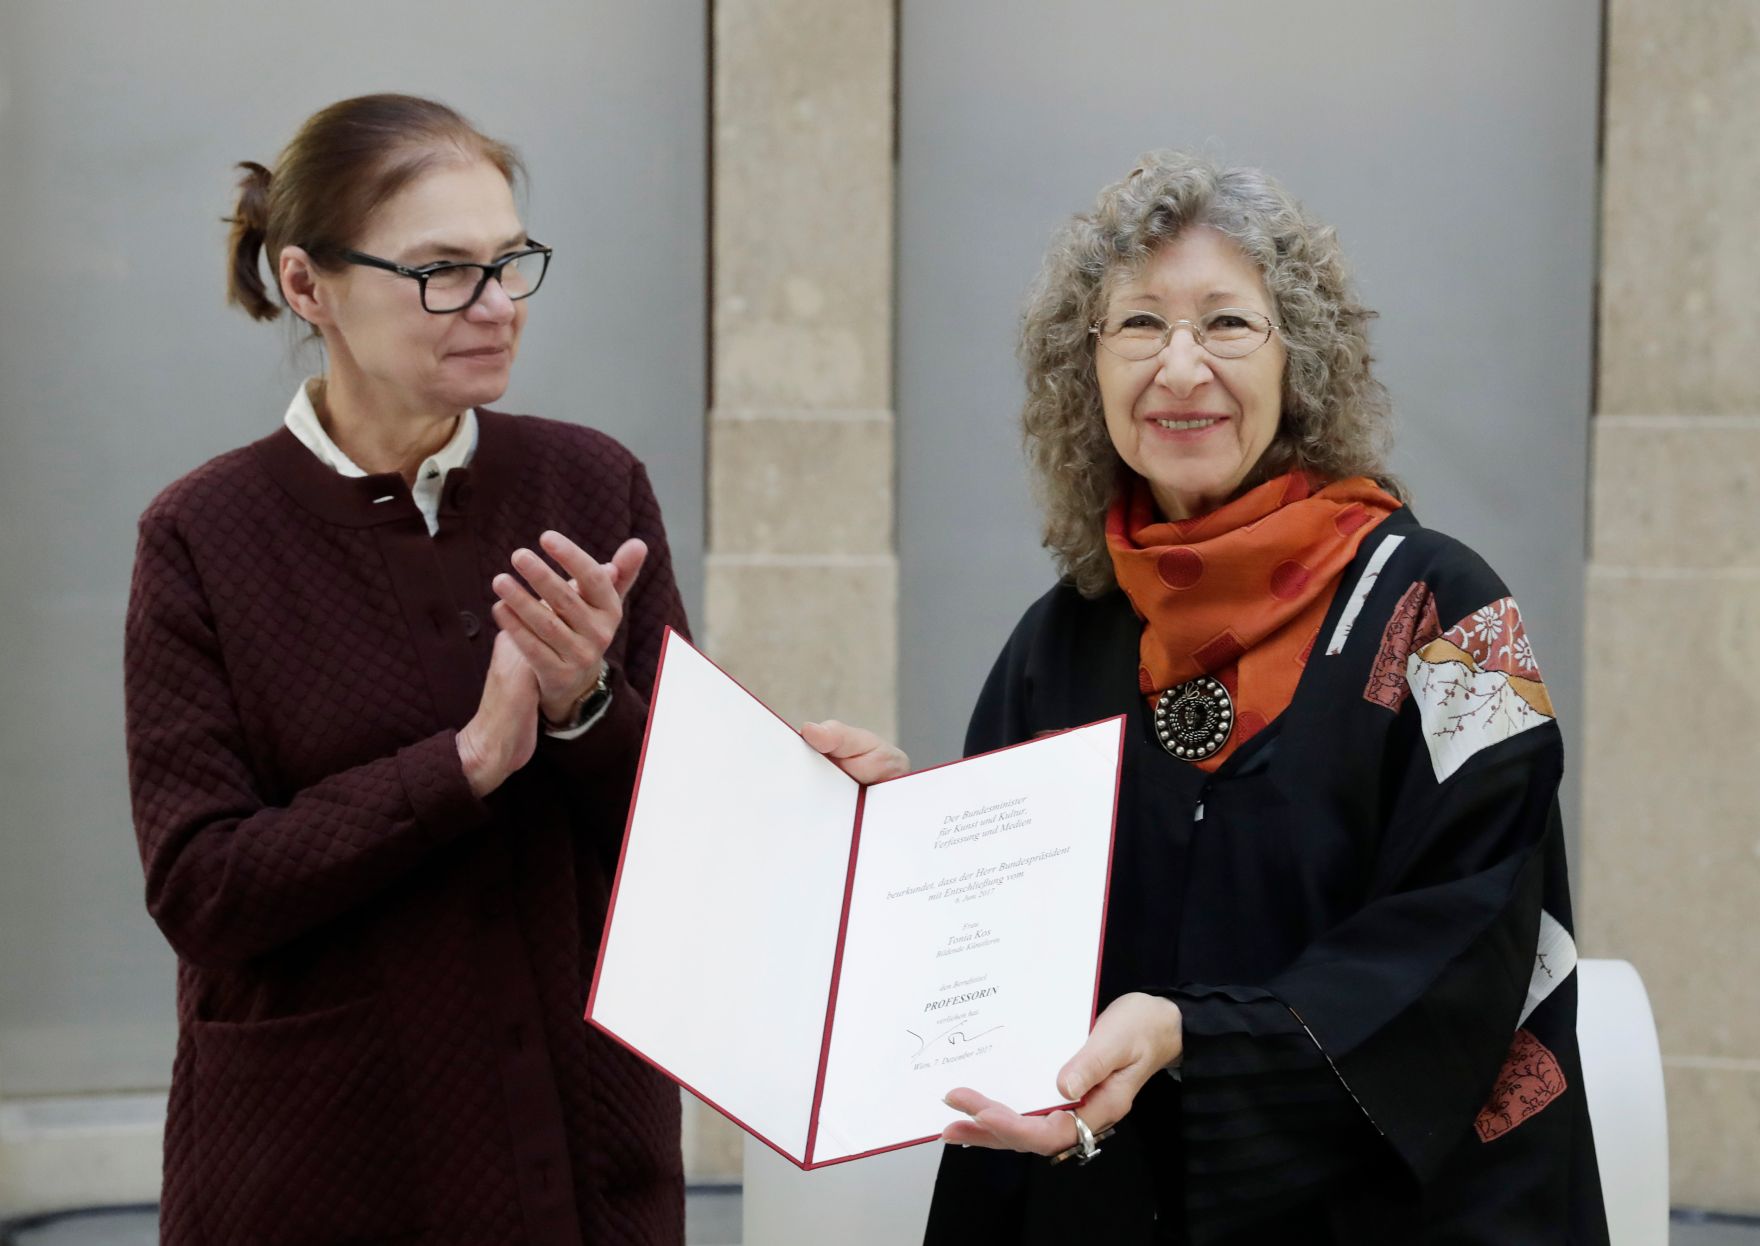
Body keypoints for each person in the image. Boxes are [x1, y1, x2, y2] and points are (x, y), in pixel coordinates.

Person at [803, 151, 1608, 1243]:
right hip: (1110, 1202)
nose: (1179, 368)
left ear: (1299, 363)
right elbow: (1002, 942)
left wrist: (1198, 1034)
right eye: (1137, 326)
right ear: (1081, 371)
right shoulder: (1062, 636)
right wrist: (907, 839)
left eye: (1226, 324)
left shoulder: (1448, 614)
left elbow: (1467, 934)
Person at [123, 94, 687, 1245]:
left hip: (577, 1160)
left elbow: (683, 844)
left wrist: (589, 707)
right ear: (306, 286)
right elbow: (203, 888)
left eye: (509, 262)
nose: (494, 307)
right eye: (442, 271)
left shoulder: (592, 489)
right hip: (323, 1166)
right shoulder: (201, 535)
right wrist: (463, 767)